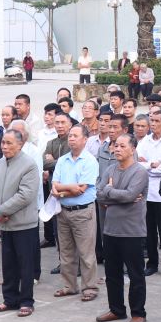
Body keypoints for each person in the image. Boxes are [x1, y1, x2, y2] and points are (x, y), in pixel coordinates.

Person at [95, 133, 150, 322]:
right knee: (112, 274)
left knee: (135, 274)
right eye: (115, 146)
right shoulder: (110, 169)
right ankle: (116, 309)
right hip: (111, 230)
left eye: (121, 146)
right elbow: (99, 194)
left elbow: (130, 195)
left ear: (133, 149)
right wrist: (113, 195)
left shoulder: (139, 172)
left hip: (132, 231)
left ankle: (138, 312)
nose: (117, 149)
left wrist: (110, 193)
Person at [0, 129, 42, 316]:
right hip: (5, 223)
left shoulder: (29, 165)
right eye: (3, 142)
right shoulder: (0, 163)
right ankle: (9, 299)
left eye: (9, 143)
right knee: (8, 264)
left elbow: (25, 195)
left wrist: (1, 211)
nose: (5, 146)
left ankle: (26, 301)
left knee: (25, 265)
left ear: (20, 145)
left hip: (23, 224)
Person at [50, 125, 101, 302]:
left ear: (85, 139)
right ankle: (69, 285)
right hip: (62, 211)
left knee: (86, 252)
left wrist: (63, 190)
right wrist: (68, 188)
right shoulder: (63, 160)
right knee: (65, 252)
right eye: (70, 136)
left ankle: (90, 287)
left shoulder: (90, 161)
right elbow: (54, 184)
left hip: (82, 212)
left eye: (75, 136)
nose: (71, 139)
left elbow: (81, 189)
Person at [138, 110, 161, 277]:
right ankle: (152, 263)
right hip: (146, 192)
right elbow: (137, 163)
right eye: (151, 120)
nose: (152, 124)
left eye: (156, 121)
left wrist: (151, 166)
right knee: (149, 231)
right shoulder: (145, 141)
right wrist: (152, 165)